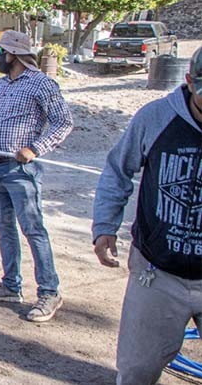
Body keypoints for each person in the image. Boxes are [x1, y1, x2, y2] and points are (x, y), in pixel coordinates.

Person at [92, 47, 202, 384]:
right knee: (137, 372)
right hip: (157, 274)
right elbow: (117, 170)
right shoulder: (156, 118)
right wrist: (105, 225)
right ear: (189, 82)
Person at [0, 30, 73, 322]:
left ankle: (49, 291)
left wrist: (35, 149)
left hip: (20, 170)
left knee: (33, 229)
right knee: (3, 228)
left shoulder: (41, 84)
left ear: (15, 54)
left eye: (0, 52)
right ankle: (11, 285)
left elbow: (63, 122)